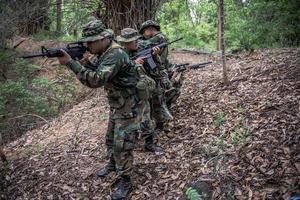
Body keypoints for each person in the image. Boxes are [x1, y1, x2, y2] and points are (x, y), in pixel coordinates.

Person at [57, 20, 146, 200]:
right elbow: (99, 70)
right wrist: (84, 63)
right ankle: (113, 165)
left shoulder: (115, 53)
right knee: (111, 138)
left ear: (105, 38)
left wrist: (71, 64)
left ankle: (125, 180)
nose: (88, 45)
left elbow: (96, 80)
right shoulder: (105, 52)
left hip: (129, 103)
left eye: (92, 41)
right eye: (87, 41)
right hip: (118, 103)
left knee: (123, 144)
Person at [116, 28, 164, 154]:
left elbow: (155, 71)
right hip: (126, 95)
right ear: (125, 43)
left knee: (146, 117)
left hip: (141, 90)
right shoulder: (119, 54)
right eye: (133, 40)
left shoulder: (140, 49)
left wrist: (154, 56)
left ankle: (149, 143)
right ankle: (124, 150)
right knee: (126, 123)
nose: (137, 42)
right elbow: (117, 72)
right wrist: (134, 63)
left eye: (137, 39)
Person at [139, 20, 173, 133]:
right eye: (149, 30)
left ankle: (160, 124)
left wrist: (154, 55)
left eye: (154, 29)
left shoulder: (159, 40)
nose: (152, 32)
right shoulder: (138, 43)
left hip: (155, 75)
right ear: (143, 32)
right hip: (141, 77)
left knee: (158, 99)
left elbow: (158, 64)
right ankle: (144, 128)